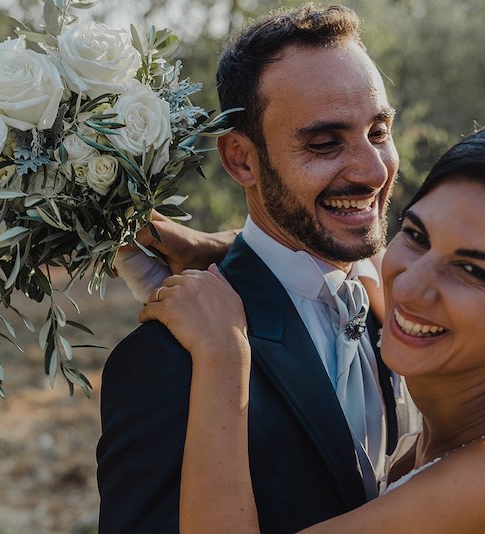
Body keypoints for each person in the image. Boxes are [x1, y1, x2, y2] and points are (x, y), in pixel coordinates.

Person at [141, 116, 485, 533]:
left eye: (473, 271)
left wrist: (223, 350)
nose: (410, 289)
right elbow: (367, 259)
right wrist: (225, 250)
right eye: (416, 235)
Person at [97, 5, 412, 532]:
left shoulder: (412, 307)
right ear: (241, 159)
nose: (374, 171)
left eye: (378, 132)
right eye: (325, 143)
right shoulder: (169, 364)